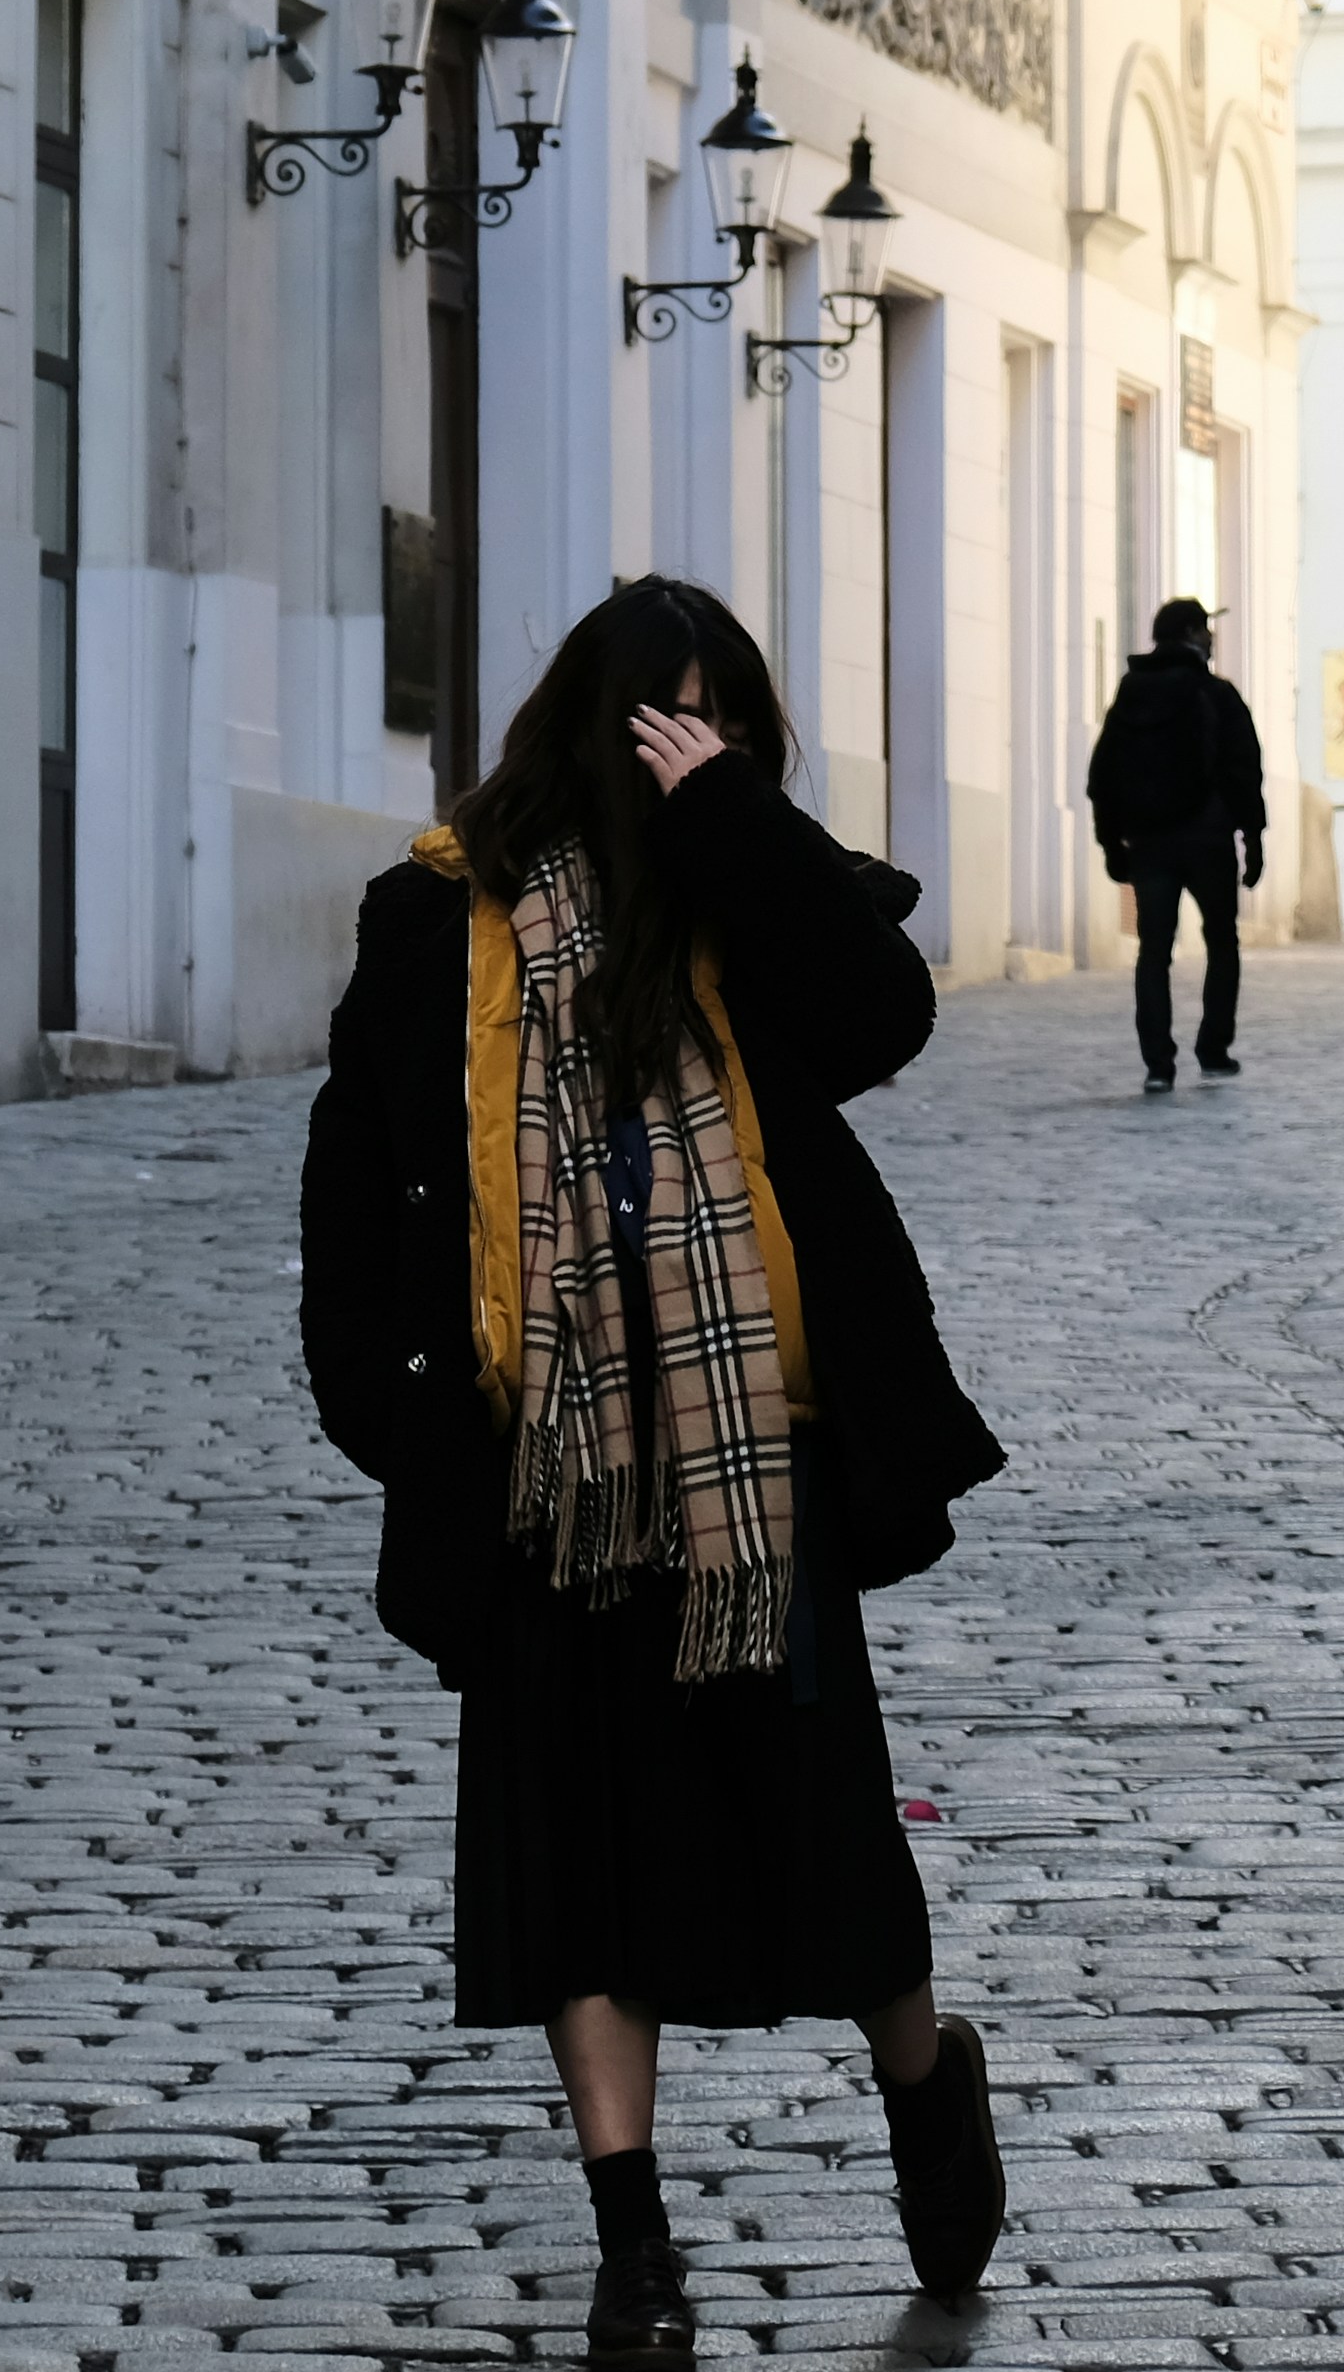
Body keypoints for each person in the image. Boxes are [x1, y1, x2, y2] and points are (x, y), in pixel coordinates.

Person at [299, 578, 1015, 2364]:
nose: (693, 753)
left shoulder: (761, 903)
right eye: (666, 724)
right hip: (546, 1467)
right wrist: (391, 1408)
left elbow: (879, 1027)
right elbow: (359, 1172)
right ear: (589, 730)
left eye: (727, 726)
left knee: (828, 1835)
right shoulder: (434, 917)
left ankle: (925, 2078)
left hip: (749, 1464)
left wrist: (735, 828)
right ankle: (635, 2242)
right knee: (577, 1872)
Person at [1078, 594, 1264, 1088]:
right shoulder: (1217, 695)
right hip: (1207, 841)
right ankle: (1214, 1049)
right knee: (1222, 943)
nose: (1211, 638)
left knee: (1153, 950)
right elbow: (1243, 769)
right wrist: (1254, 838)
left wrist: (1111, 844)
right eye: (1205, 629)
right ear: (1190, 635)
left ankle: (1158, 1064)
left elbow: (1103, 777)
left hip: (1150, 844)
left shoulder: (1129, 695)